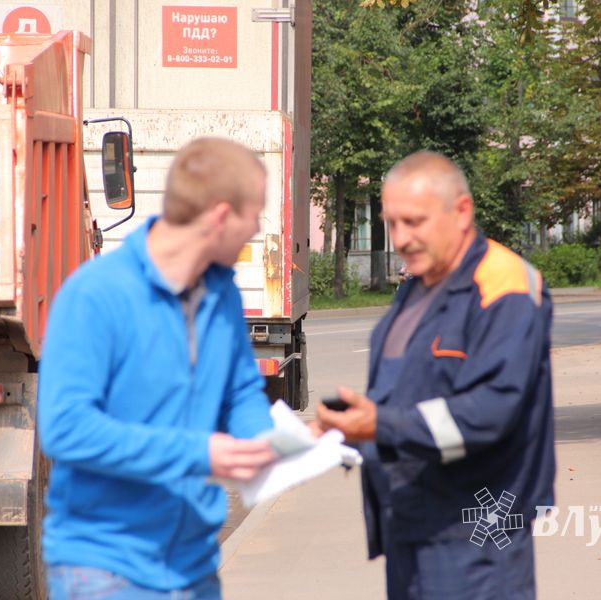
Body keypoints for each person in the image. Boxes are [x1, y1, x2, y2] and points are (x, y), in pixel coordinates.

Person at [38, 137, 277, 599]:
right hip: (106, 569)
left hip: (193, 566)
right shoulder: (95, 294)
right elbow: (66, 429)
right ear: (221, 217)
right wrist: (199, 453)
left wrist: (264, 440)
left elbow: (240, 393)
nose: (256, 228)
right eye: (254, 215)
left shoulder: (221, 293)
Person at [316, 151, 556, 600]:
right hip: (411, 524)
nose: (401, 239)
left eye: (414, 222)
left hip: (477, 537)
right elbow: (407, 395)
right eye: (391, 223)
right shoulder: (419, 287)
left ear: (461, 211)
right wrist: (345, 432)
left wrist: (379, 425)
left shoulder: (503, 284)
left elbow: (491, 411)